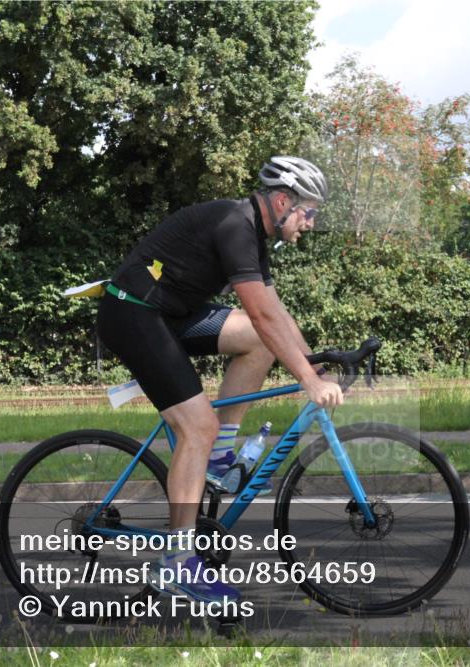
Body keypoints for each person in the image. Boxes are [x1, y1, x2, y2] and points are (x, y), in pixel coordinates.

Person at [96, 156, 344, 604]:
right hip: (133, 312)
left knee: (259, 342)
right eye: (309, 211)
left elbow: (277, 316)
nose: (310, 222)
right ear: (284, 201)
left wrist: (317, 367)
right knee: (198, 427)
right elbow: (262, 314)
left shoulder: (251, 232)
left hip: (169, 313)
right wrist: (307, 380)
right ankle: (177, 564)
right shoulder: (235, 225)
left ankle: (217, 456)